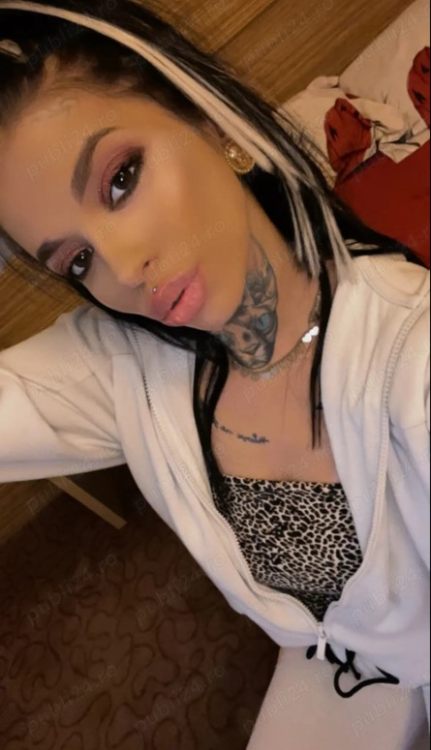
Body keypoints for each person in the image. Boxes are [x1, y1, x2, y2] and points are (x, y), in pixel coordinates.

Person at [0, 1, 429, 747]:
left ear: (210, 121)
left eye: (121, 179)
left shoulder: (411, 360)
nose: (123, 267)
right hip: (336, 664)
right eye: (77, 260)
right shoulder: (126, 366)